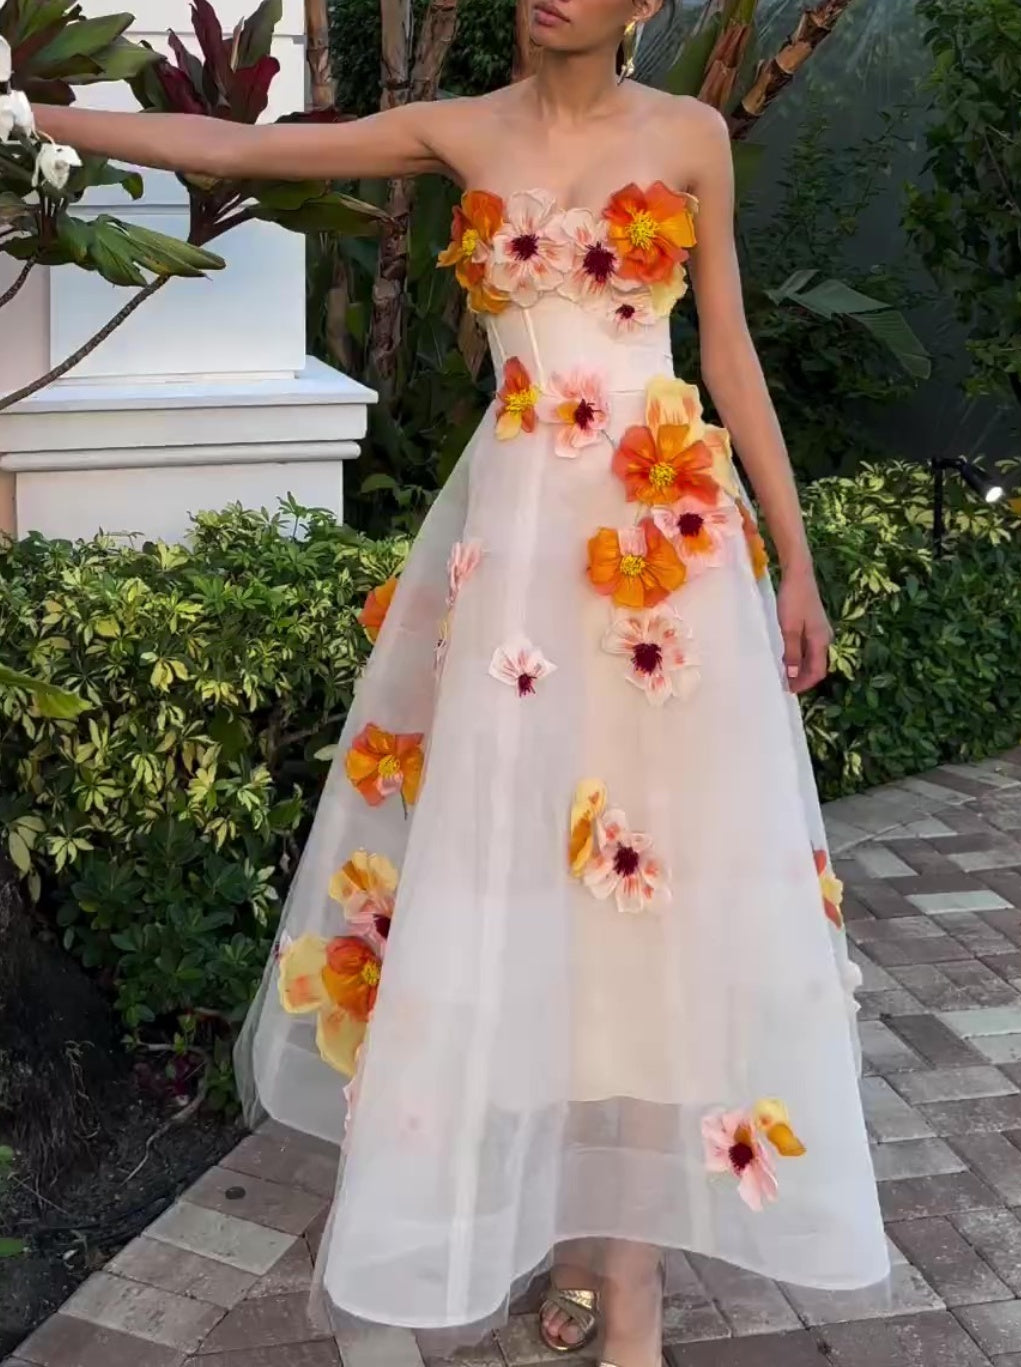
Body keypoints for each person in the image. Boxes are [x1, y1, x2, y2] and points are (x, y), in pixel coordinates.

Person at [36, 0, 889, 1361]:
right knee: (521, 888)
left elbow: (725, 352)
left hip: (665, 562)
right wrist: (31, 116)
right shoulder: (460, 128)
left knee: (654, 906)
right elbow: (242, 150)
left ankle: (629, 1282)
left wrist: (796, 561)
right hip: (515, 581)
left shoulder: (689, 135)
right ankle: (555, 1214)